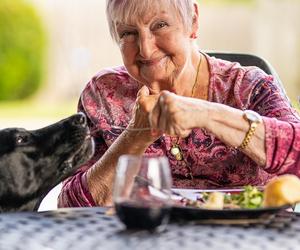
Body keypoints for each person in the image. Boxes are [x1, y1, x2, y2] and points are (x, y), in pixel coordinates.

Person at [58, 0, 300, 207]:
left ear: (193, 22)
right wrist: (135, 136)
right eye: (128, 33)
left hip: (247, 237)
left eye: (160, 25)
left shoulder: (247, 87)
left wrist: (207, 114)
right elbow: (71, 207)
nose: (146, 49)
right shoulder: (104, 94)